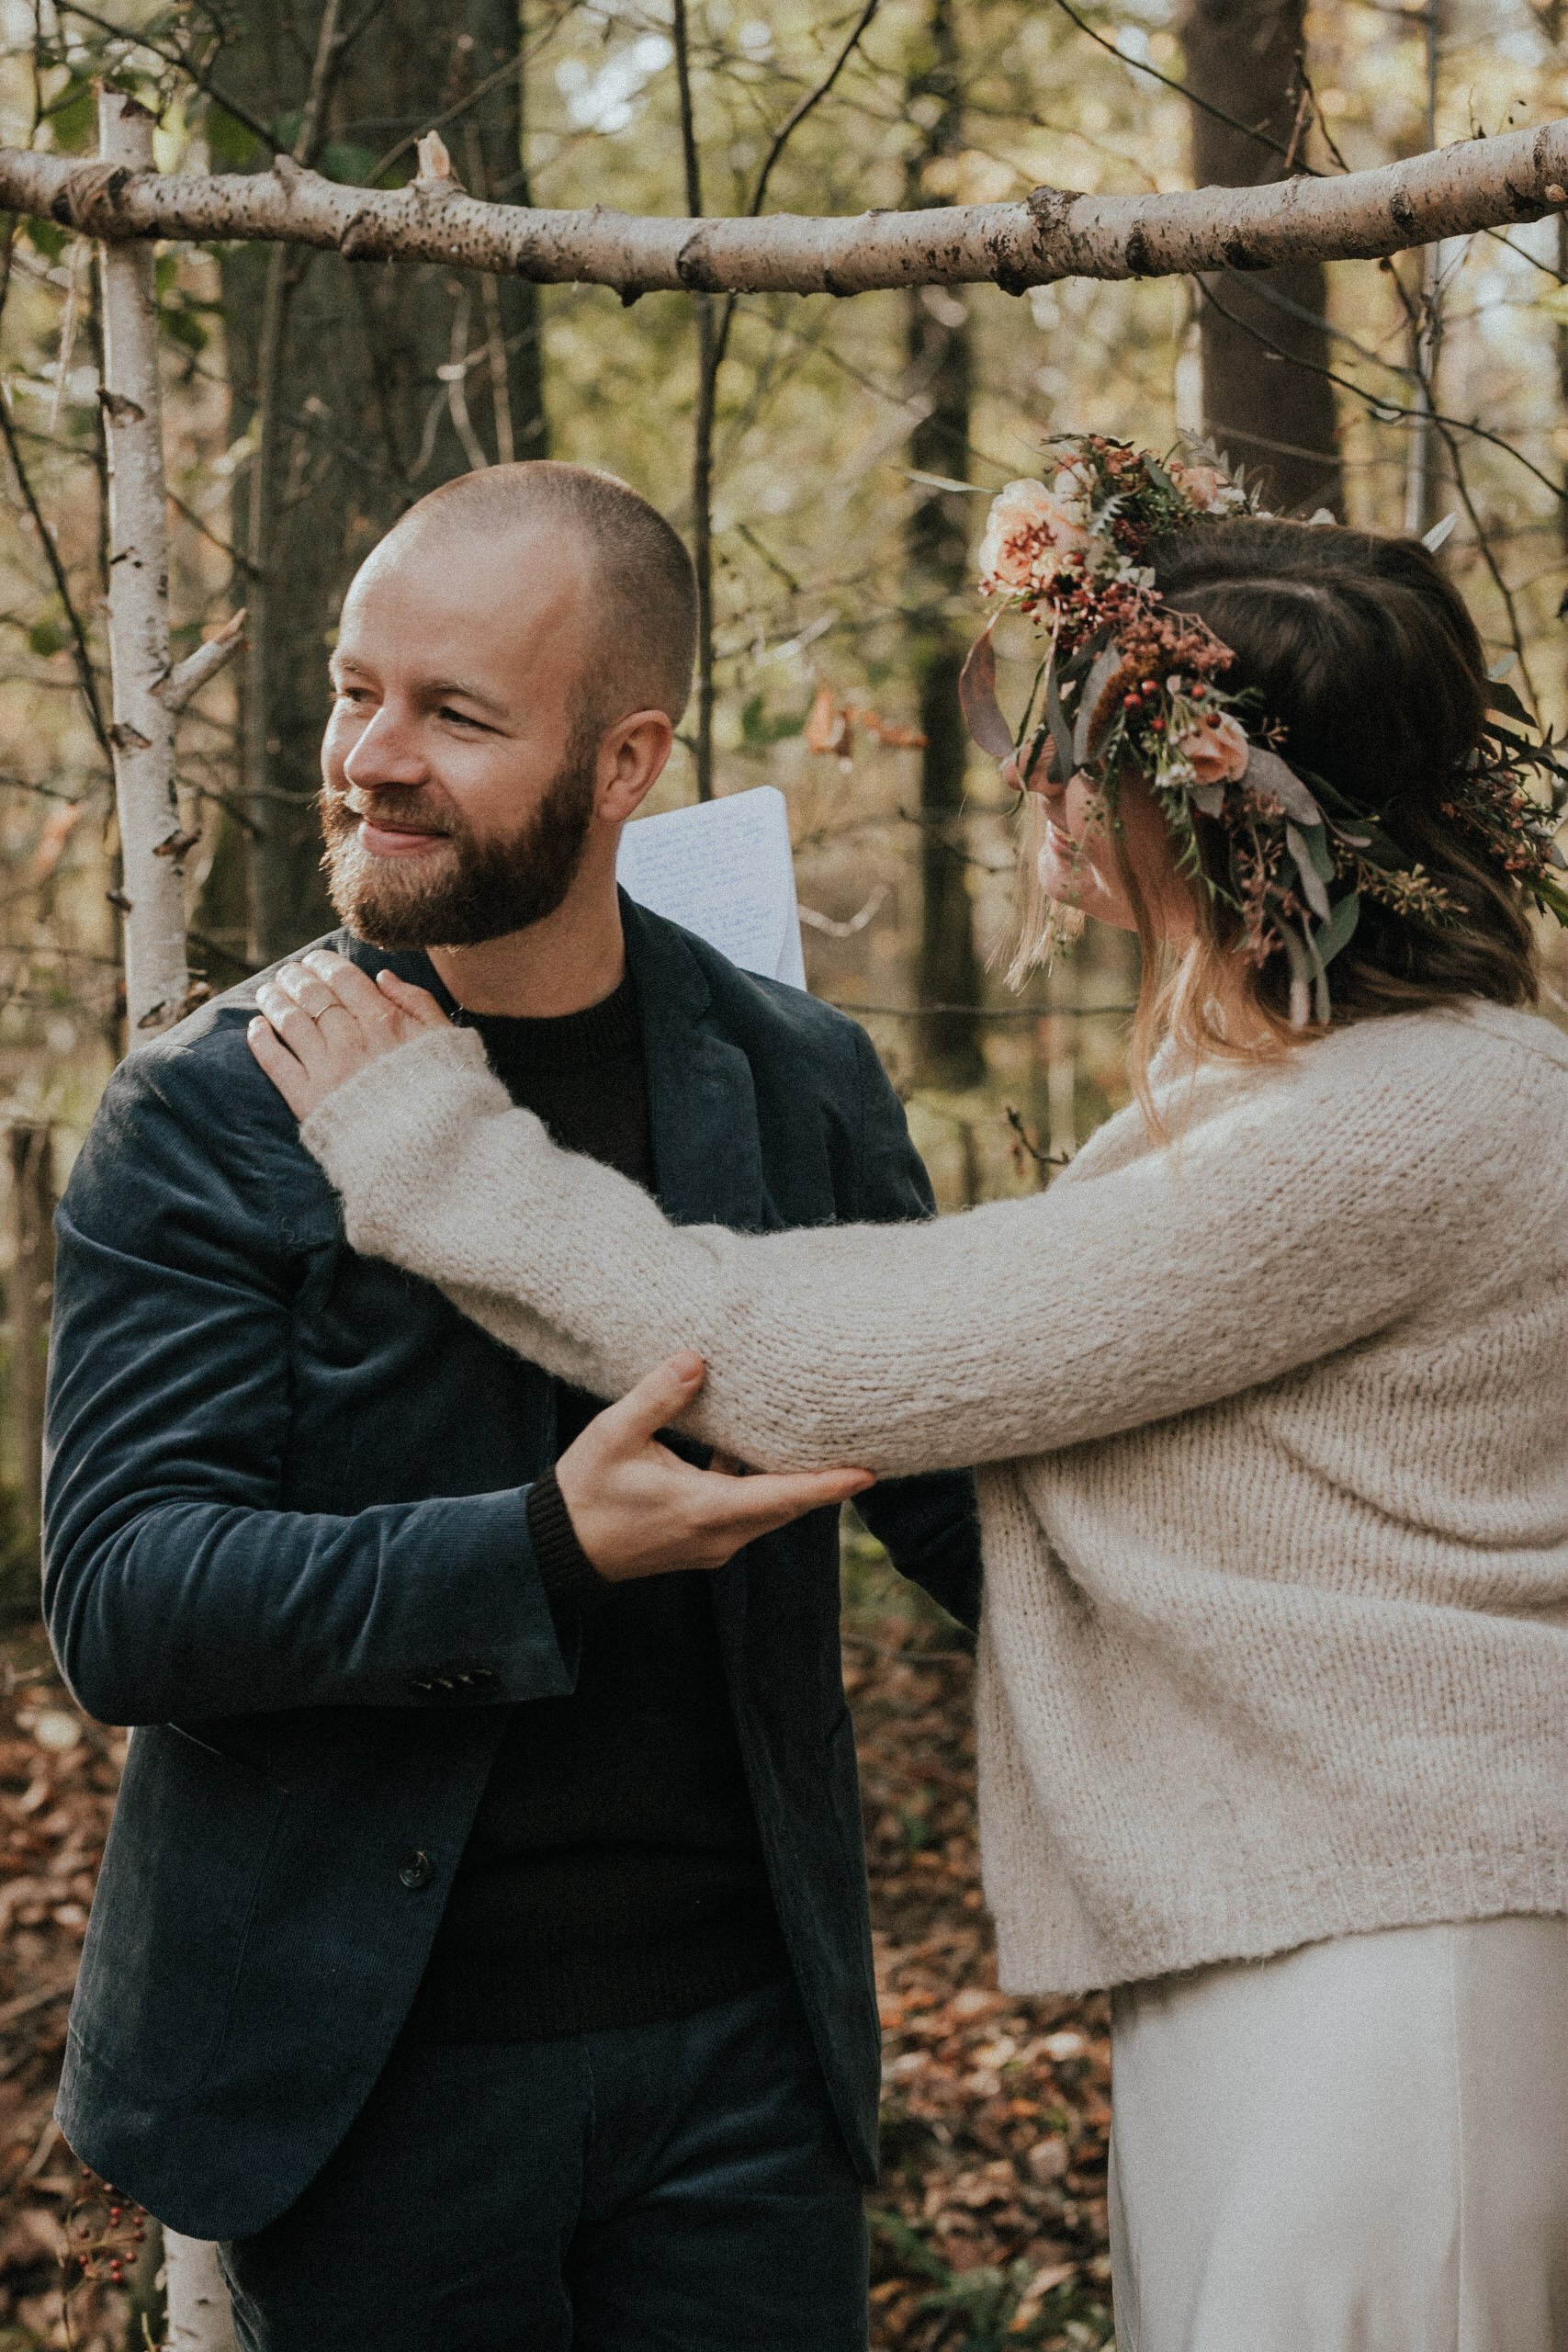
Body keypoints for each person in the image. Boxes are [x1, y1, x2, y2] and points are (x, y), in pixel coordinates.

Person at [251, 442, 1568, 2352]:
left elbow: (823, 1357)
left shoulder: (1405, 1120)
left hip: (1393, 1955)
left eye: (1082, 749)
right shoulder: (1330, 1083)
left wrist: (426, 1142)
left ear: (1227, 806)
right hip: (1299, 1912)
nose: (1039, 786)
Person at [43, 460, 984, 2352]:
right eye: (351, 688)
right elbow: (126, 1598)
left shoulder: (798, 1080)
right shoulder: (213, 1109)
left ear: (623, 760)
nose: (368, 757)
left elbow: (960, 1505)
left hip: (745, 2074)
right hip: (371, 2081)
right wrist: (540, 1551)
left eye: (454, 715)